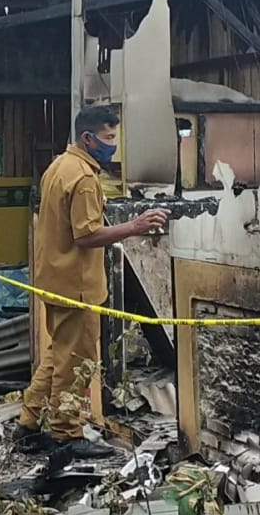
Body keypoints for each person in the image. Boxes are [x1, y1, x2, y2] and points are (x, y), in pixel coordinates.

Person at [14, 106, 169, 459]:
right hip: (77, 287)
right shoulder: (83, 178)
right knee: (77, 363)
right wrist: (135, 226)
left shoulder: (58, 167)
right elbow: (86, 235)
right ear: (88, 138)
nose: (113, 145)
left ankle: (28, 422)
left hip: (55, 282)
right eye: (109, 138)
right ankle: (66, 437)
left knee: (56, 356)